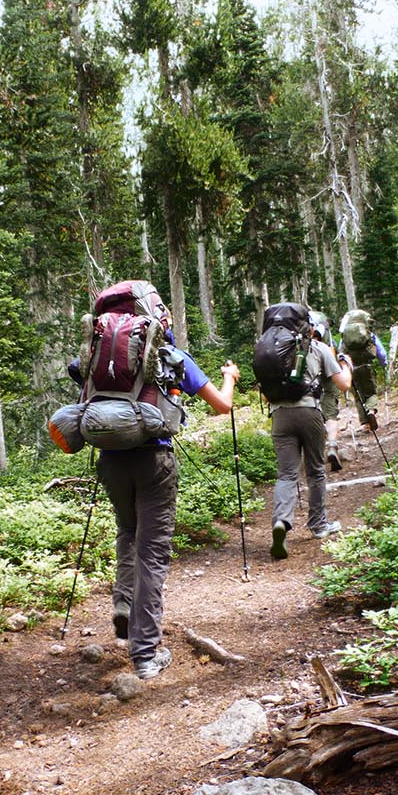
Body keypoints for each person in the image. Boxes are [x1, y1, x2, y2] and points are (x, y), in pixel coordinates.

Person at [77, 289, 238, 681]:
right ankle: (146, 653)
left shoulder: (95, 355)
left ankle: (123, 604)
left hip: (111, 459)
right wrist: (228, 378)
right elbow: (222, 406)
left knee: (127, 531)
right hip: (154, 459)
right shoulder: (171, 356)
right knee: (152, 552)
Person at [269, 312, 351, 560]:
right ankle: (318, 525)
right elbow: (343, 384)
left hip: (280, 415)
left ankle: (281, 521)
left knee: (286, 474)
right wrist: (346, 364)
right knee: (315, 470)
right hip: (309, 412)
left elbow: (266, 392)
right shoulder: (318, 347)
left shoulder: (273, 349)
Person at [309, 311, 344, 472]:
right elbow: (335, 351)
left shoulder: (302, 335)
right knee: (331, 413)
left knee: (313, 408)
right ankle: (332, 445)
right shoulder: (326, 335)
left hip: (310, 375)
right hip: (328, 374)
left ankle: (315, 451)